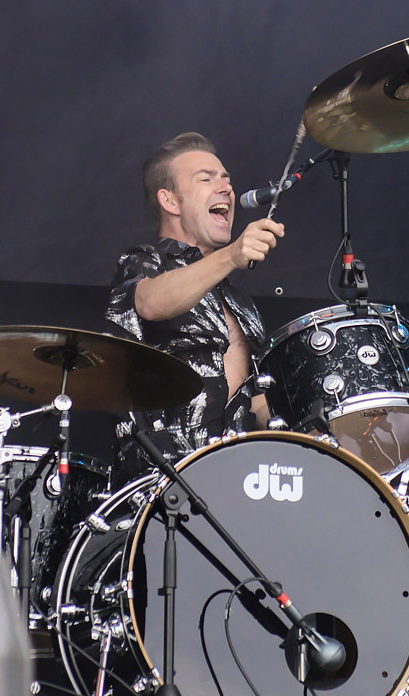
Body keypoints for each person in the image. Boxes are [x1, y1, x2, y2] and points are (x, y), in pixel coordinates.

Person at [105, 132, 285, 482]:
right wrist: (231, 255)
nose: (226, 188)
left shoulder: (240, 302)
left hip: (239, 480)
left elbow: (254, 399)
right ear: (170, 201)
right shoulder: (144, 261)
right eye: (206, 179)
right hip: (161, 483)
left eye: (227, 179)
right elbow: (150, 303)